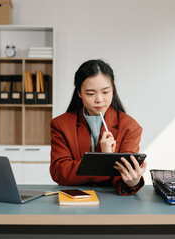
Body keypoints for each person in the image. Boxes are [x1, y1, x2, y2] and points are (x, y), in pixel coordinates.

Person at [50, 59, 147, 195]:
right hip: (74, 199)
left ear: (113, 90)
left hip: (113, 201)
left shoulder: (130, 127)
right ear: (79, 93)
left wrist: (132, 181)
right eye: (90, 93)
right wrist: (104, 160)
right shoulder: (60, 125)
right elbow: (60, 172)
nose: (99, 99)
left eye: (106, 92)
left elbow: (124, 176)